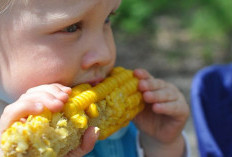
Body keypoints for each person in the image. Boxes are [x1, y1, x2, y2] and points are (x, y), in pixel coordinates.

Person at [0, 0, 190, 156]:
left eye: (107, 19)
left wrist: (162, 145)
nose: (105, 53)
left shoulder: (127, 129)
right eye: (71, 28)